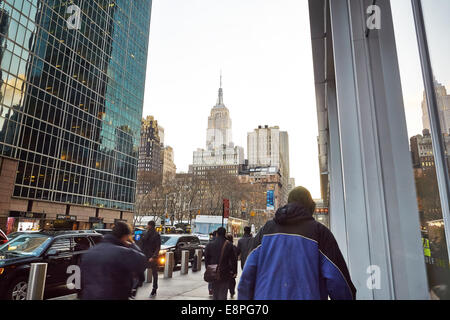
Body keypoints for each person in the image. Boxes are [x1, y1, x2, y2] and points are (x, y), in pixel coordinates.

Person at [238, 186, 356, 300]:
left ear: (287, 203)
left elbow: (247, 276)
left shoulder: (266, 230)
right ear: (311, 207)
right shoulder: (320, 233)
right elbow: (339, 281)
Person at [80, 222, 147, 300]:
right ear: (125, 236)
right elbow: (142, 262)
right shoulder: (123, 253)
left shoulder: (90, 252)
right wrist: (131, 244)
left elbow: (81, 279)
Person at [205, 227, 237, 300]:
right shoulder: (229, 245)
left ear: (216, 234)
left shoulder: (210, 244)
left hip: (213, 272)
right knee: (223, 292)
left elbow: (206, 258)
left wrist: (208, 268)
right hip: (225, 272)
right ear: (225, 234)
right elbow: (233, 259)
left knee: (215, 292)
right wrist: (234, 271)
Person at [139, 220, 161, 297]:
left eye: (148, 225)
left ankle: (154, 289)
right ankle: (136, 286)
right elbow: (141, 244)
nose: (147, 226)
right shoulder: (145, 233)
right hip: (145, 255)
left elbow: (158, 247)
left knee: (154, 273)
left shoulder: (156, 235)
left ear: (150, 225)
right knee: (139, 270)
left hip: (152, 257)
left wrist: (154, 256)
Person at [226, 233, 239, 299]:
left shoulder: (225, 246)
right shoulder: (234, 247)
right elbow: (235, 260)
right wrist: (235, 271)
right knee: (232, 280)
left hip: (226, 266)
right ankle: (232, 291)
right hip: (232, 267)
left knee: (226, 280)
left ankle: (230, 291)